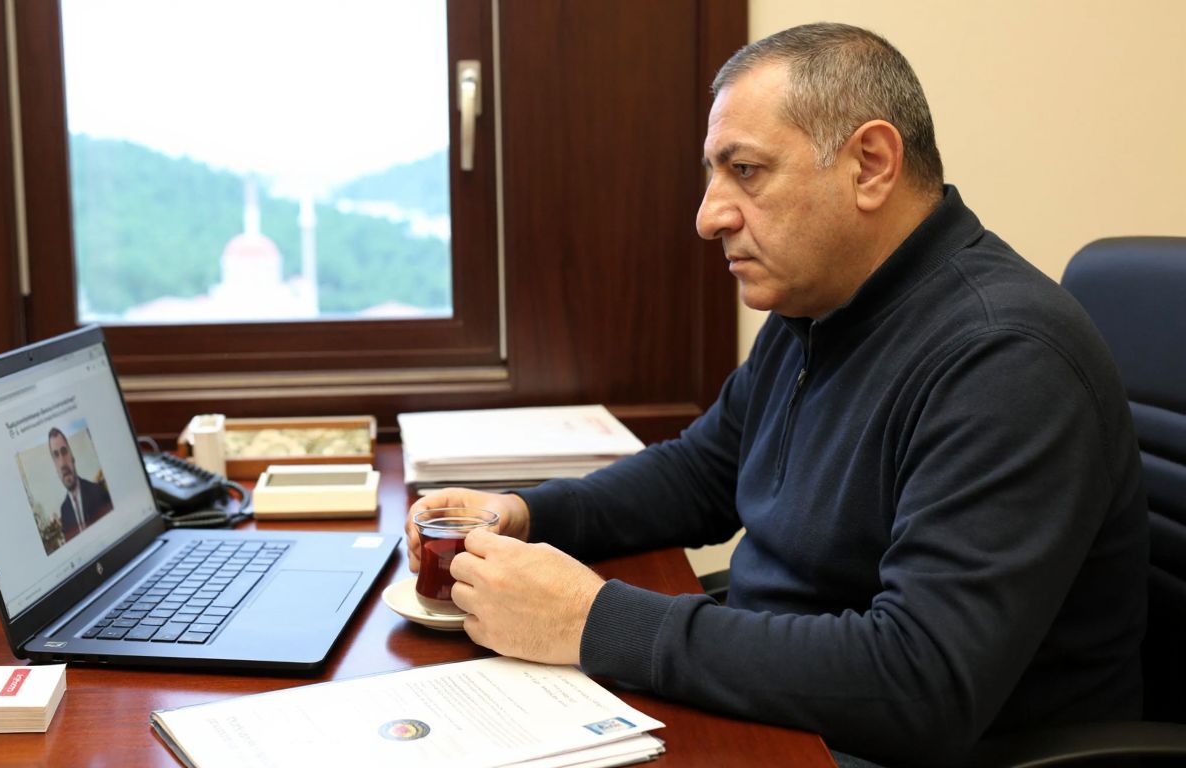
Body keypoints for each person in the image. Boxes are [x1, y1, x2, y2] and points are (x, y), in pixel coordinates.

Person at [407, 22, 1147, 767]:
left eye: (747, 171)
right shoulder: (820, 304)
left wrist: (591, 619)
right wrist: (529, 512)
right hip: (794, 709)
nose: (710, 215)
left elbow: (923, 680)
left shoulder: (1005, 359)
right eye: (712, 174)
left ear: (870, 165)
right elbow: (704, 471)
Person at [49, 427, 114, 541]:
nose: (62, 463)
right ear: (55, 466)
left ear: (72, 457)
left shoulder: (98, 491)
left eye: (64, 452)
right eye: (56, 455)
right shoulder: (64, 510)